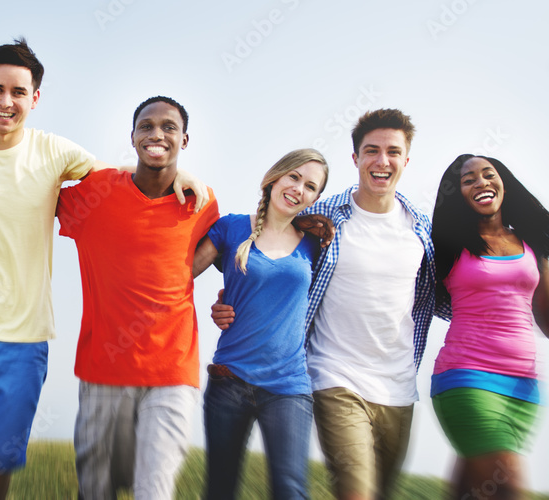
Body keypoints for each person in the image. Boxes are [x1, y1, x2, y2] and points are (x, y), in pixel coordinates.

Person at [0, 39, 208, 500]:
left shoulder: (56, 153)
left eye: (18, 92)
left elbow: (124, 183)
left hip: (24, 338)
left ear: (34, 98)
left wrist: (177, 171)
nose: (6, 101)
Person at [211, 108, 434, 500]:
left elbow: (447, 296)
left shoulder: (421, 229)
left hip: (398, 385)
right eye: (371, 151)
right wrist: (231, 300)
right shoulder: (319, 217)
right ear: (356, 159)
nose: (382, 161)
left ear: (406, 160)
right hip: (334, 375)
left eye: (393, 152)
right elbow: (263, 250)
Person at [57, 96, 219, 499]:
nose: (156, 134)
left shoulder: (201, 204)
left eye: (168, 127)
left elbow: (248, 246)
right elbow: (30, 184)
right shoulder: (96, 193)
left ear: (185, 138)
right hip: (103, 369)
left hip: (172, 372)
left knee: (155, 490)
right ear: (132, 137)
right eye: (146, 126)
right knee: (95, 489)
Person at [193, 148, 328, 499]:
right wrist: (219, 305)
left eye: (310, 186)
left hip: (288, 386)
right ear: (275, 177)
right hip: (229, 382)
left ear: (315, 198)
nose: (299, 189)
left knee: (290, 489)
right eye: (294, 177)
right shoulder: (232, 226)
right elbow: (180, 274)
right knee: (220, 490)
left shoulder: (315, 244)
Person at [429, 154, 549, 500]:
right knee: (508, 489)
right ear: (459, 194)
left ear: (503, 184)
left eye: (487, 174)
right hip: (467, 378)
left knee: (473, 493)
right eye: (468, 180)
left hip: (524, 389)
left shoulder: (530, 245)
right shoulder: (447, 246)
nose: (480, 182)